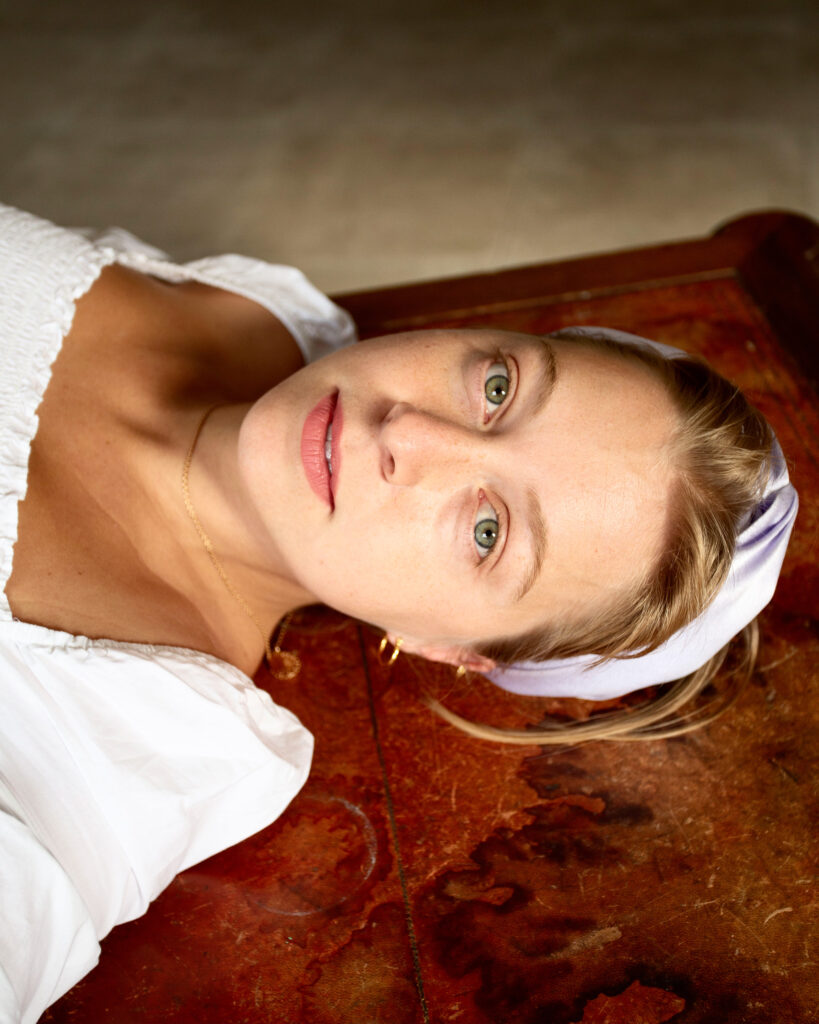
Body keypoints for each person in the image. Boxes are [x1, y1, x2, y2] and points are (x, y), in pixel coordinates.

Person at [0, 204, 796, 1022]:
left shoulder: (136, 743)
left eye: (487, 531)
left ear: (449, 648)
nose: (409, 433)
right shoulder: (262, 311)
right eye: (497, 388)